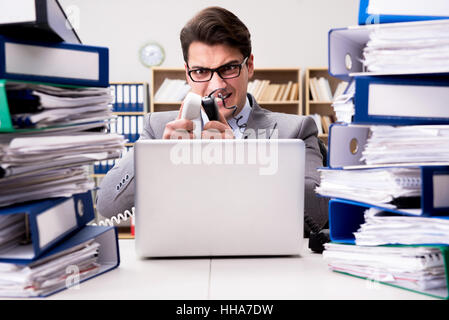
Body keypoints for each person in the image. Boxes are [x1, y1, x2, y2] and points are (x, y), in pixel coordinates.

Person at [96, 6, 328, 233]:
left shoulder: (296, 129)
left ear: (249, 65)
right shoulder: (157, 129)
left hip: (260, 264)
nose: (217, 86)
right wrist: (155, 156)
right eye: (201, 71)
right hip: (180, 259)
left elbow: (317, 212)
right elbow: (108, 206)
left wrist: (240, 162)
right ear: (188, 73)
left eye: (228, 68)